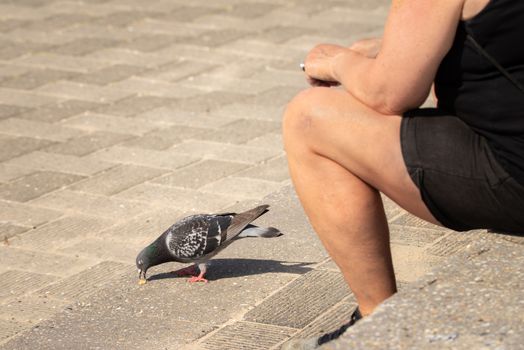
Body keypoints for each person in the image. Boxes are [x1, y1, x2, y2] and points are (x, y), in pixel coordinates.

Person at [281, 0, 524, 348]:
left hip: (514, 172)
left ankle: (378, 322)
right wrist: (394, 46)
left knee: (308, 119)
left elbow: (390, 93)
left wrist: (337, 61)